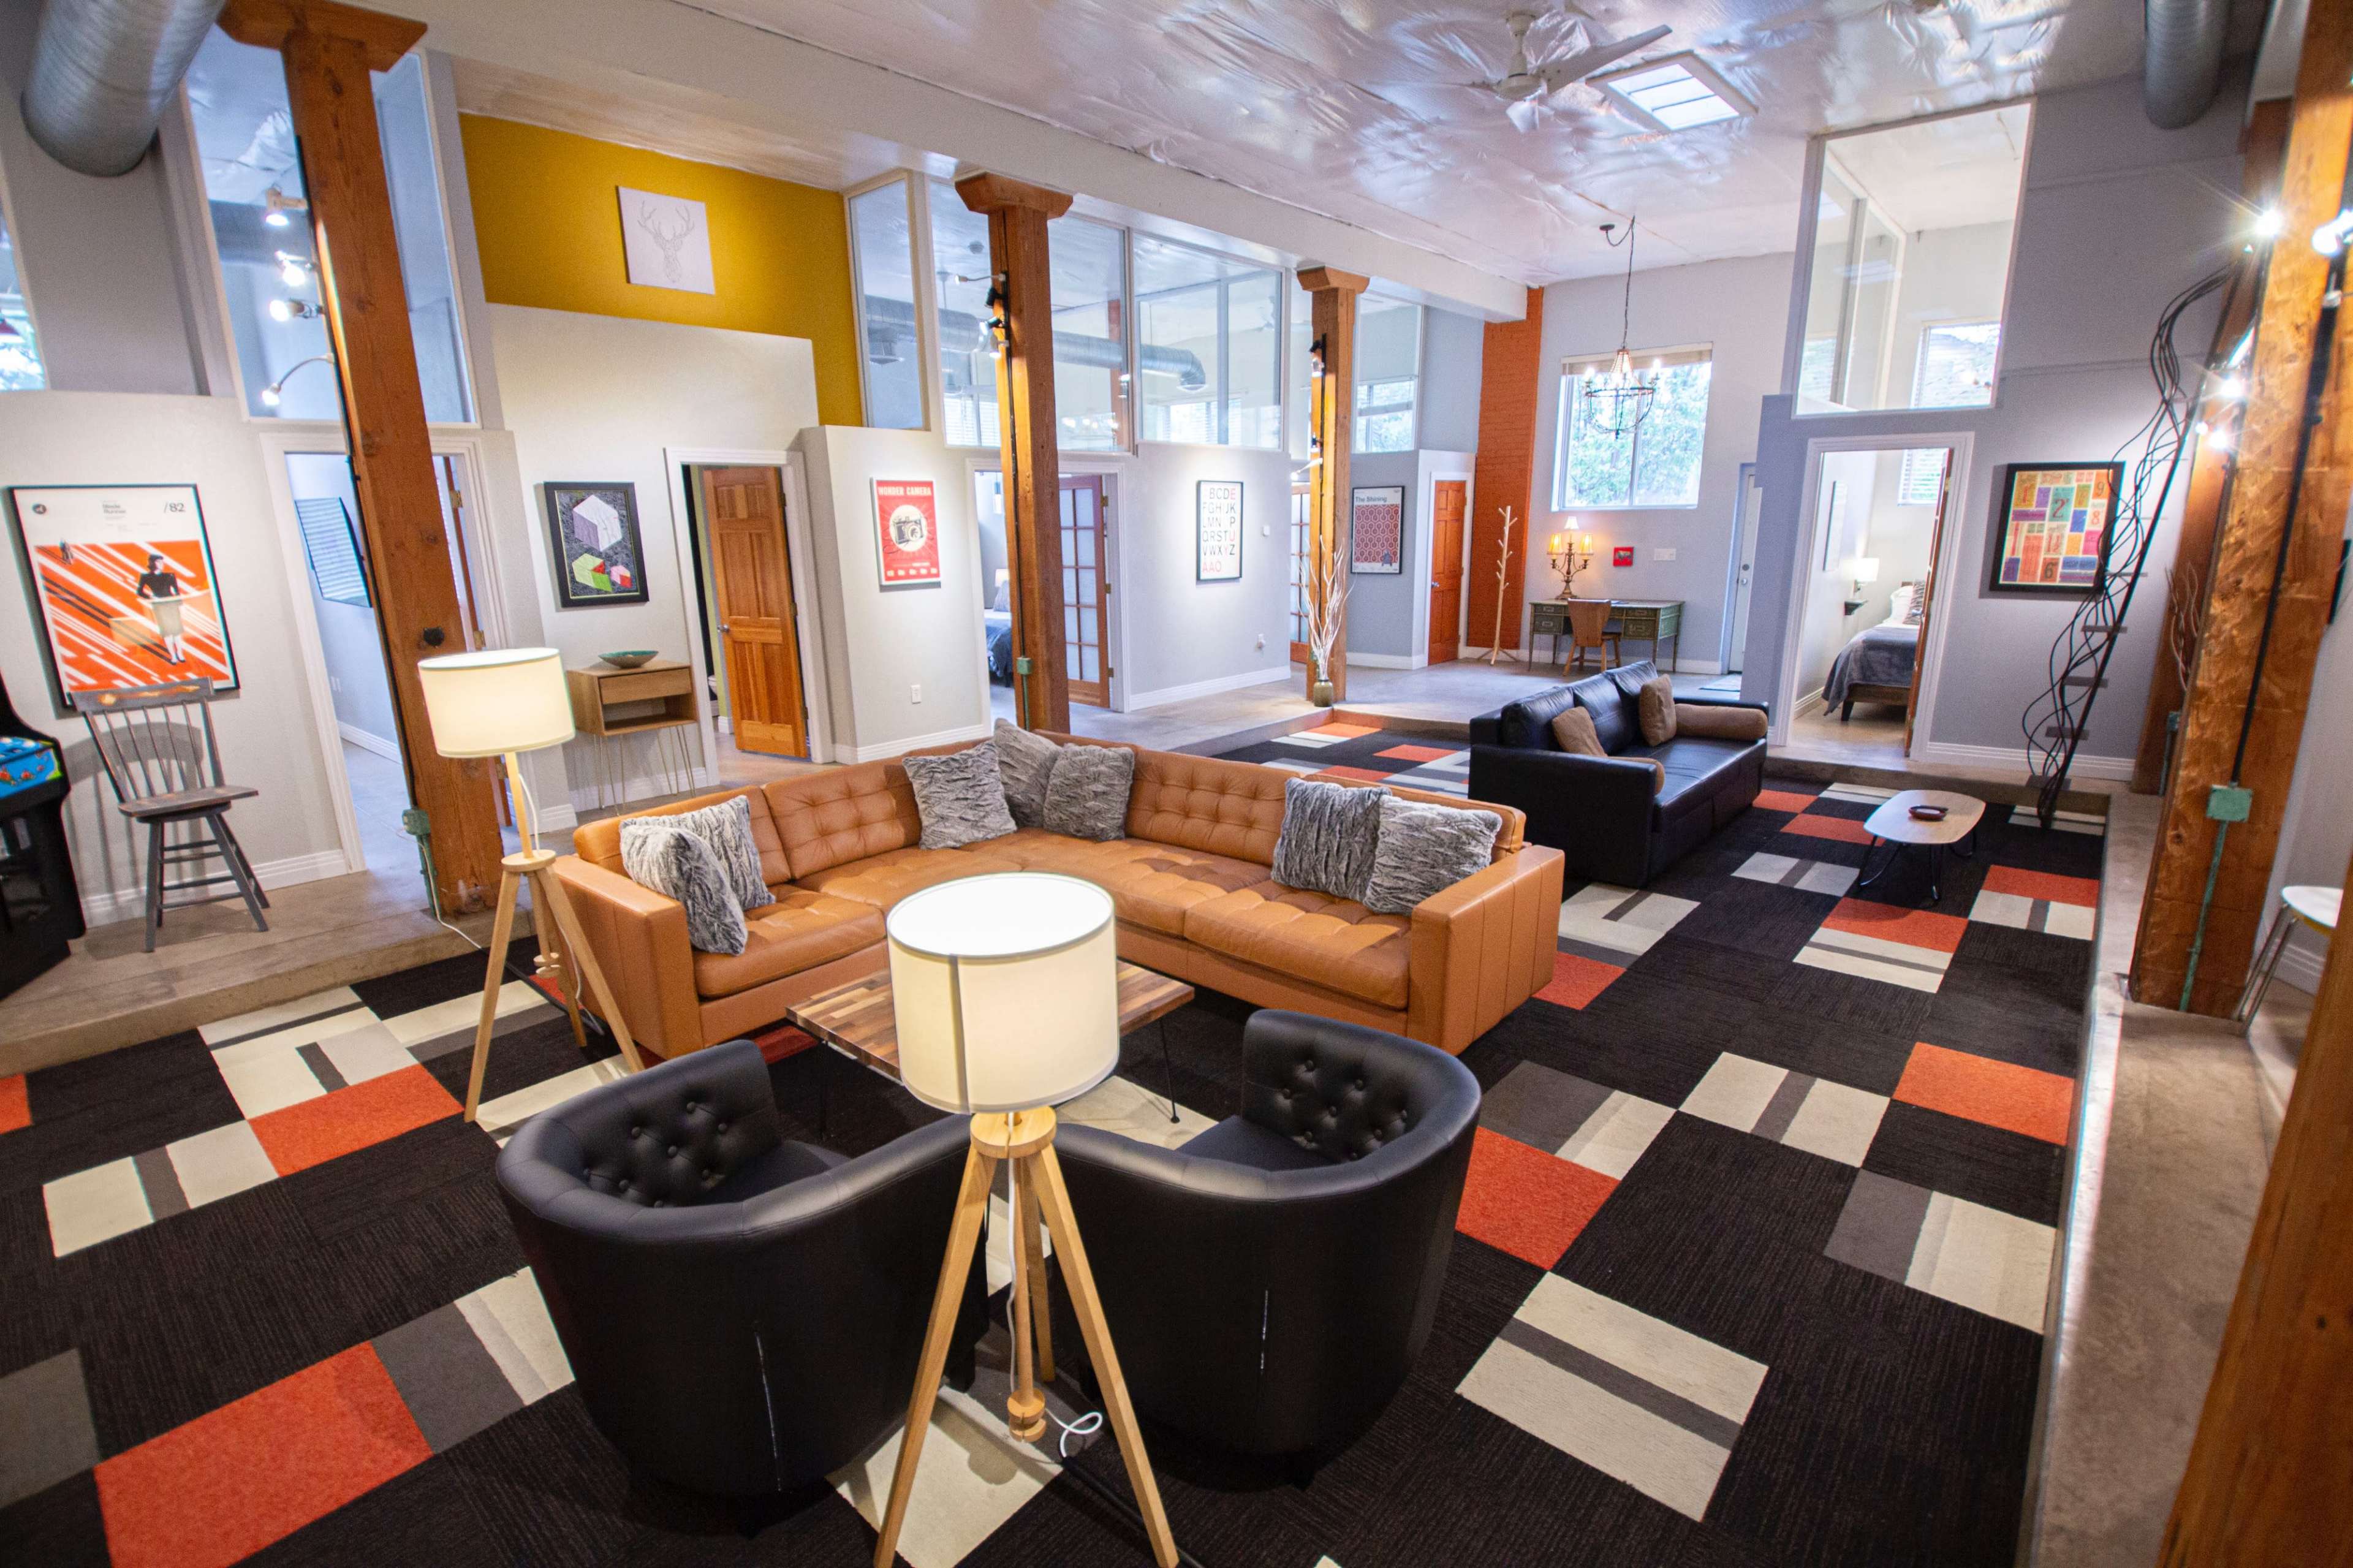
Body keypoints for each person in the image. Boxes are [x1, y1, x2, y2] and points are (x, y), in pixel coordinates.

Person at [134, 553, 188, 665]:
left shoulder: (170, 576)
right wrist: (150, 597)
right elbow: (139, 592)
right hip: (160, 607)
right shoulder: (146, 577)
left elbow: (176, 592)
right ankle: (173, 656)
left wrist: (181, 606)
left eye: (162, 562)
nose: (162, 564)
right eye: (159, 562)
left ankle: (180, 653)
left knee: (177, 632)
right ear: (153, 563)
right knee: (167, 633)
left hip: (172, 606)